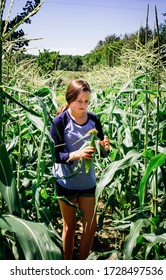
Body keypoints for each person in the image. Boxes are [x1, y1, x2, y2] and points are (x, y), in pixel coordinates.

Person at [50, 79, 109, 260]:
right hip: (66, 181)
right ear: (70, 99)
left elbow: (102, 152)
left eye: (87, 101)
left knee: (90, 226)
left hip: (87, 182)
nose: (83, 105)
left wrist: (105, 148)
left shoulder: (94, 120)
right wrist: (77, 154)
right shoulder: (59, 121)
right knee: (69, 227)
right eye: (79, 101)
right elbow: (56, 156)